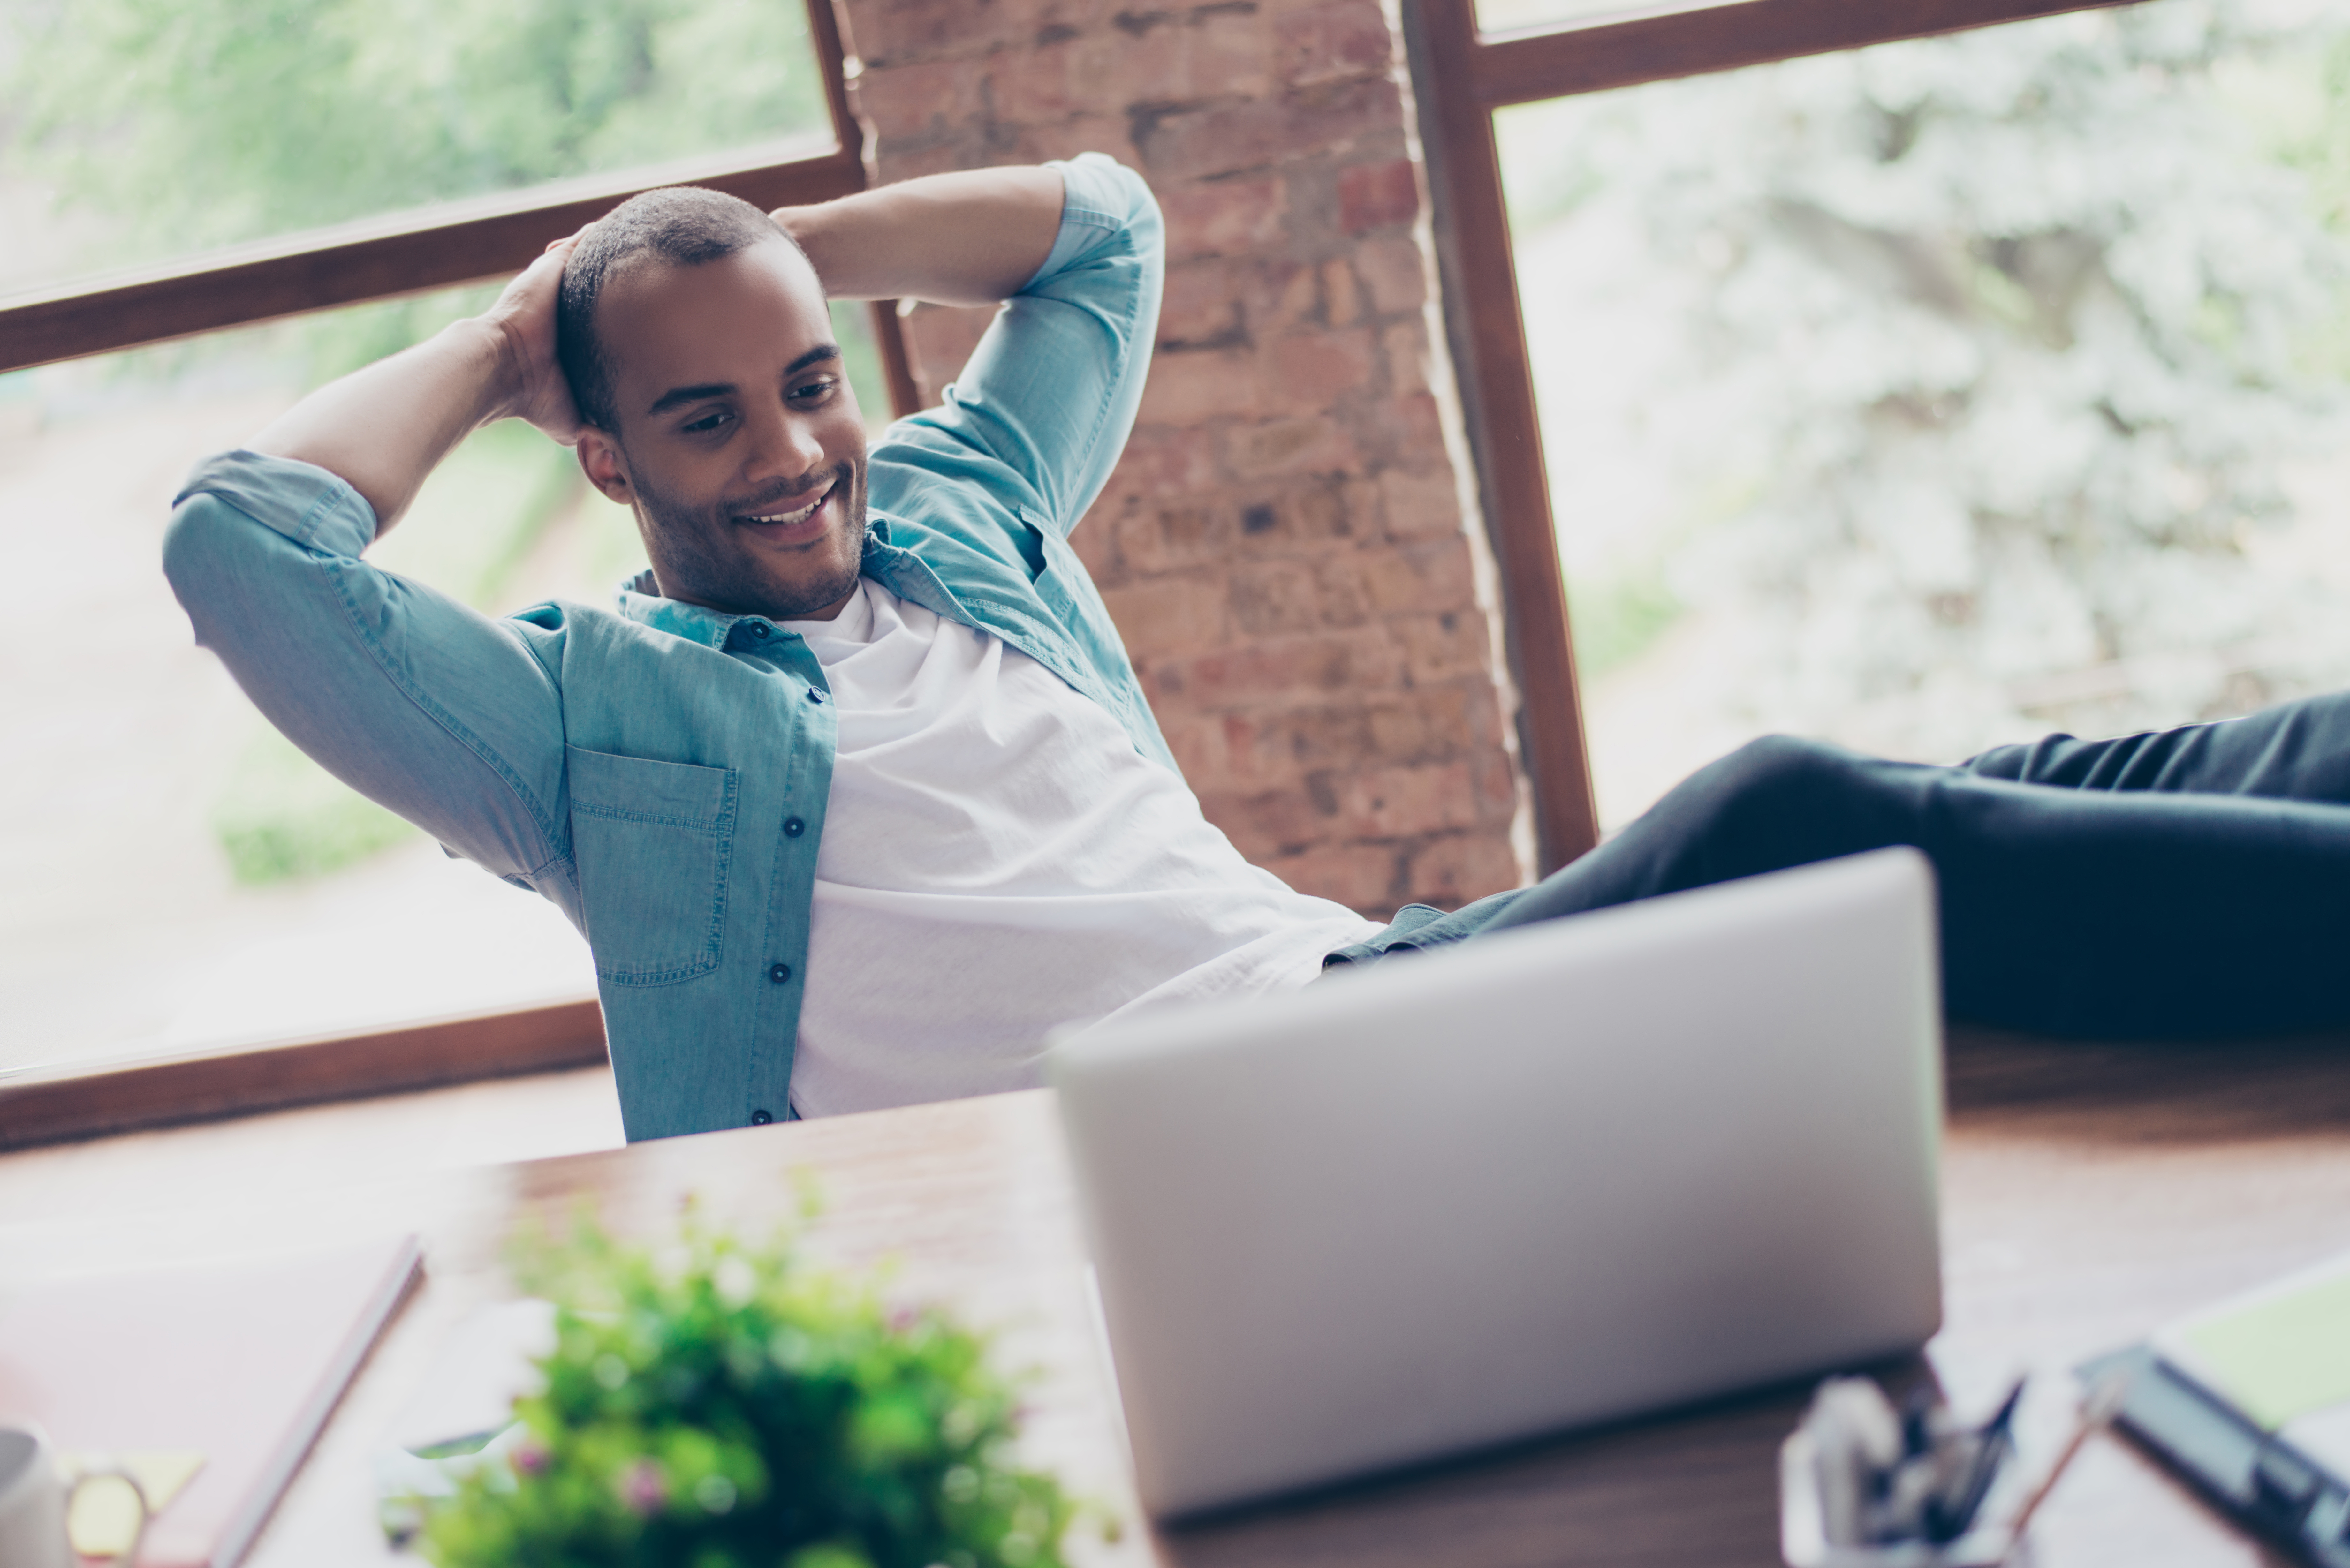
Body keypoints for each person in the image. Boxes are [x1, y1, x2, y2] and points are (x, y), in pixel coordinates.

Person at [166, 155, 2350, 1143]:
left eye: (811, 383)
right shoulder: (584, 726)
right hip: (1237, 1119)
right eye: (706, 414)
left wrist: (761, 262)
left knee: (2048, 773)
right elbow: (243, 548)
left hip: (1350, 989)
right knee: (1797, 813)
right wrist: (512, 335)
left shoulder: (954, 519)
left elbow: (1104, 227)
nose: (795, 452)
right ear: (611, 468)